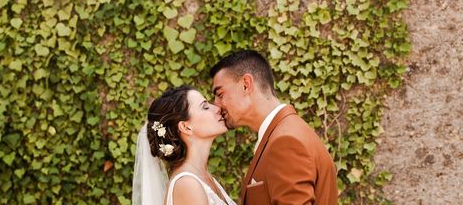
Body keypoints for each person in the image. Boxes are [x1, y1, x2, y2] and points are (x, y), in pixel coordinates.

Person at [211, 50, 338, 205]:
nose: (216, 105)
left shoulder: (286, 142)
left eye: (220, 94)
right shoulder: (284, 132)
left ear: (246, 85)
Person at [132, 85, 237, 205]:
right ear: (186, 127)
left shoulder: (204, 176)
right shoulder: (187, 184)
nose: (217, 108)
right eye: (205, 107)